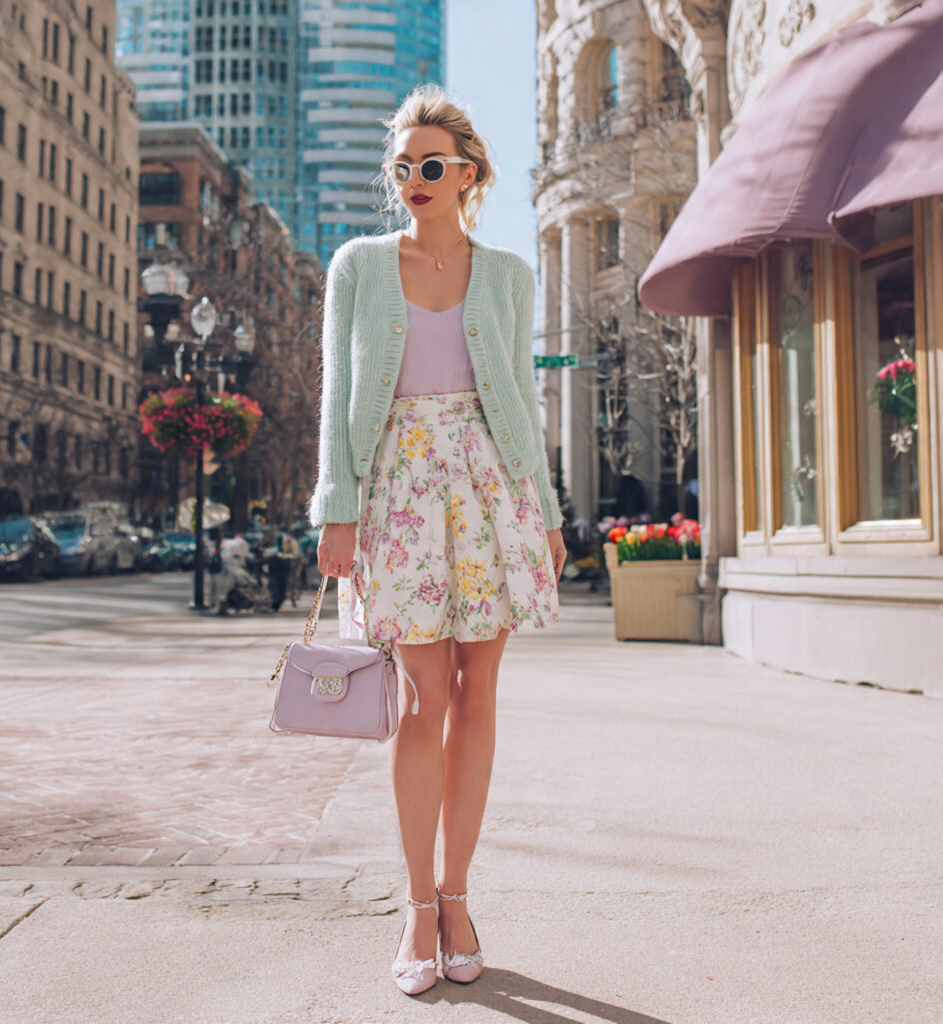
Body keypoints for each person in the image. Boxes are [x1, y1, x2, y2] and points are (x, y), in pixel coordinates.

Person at [308, 84, 566, 997]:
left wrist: (547, 509)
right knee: (420, 700)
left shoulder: (507, 274)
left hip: (492, 488)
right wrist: (337, 506)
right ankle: (419, 907)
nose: (411, 178)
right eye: (401, 166)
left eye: (429, 164)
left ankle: (459, 896)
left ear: (468, 174)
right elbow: (342, 394)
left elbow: (520, 404)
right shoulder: (358, 266)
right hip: (400, 491)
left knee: (479, 692)